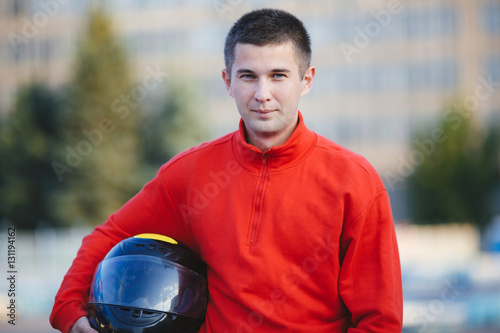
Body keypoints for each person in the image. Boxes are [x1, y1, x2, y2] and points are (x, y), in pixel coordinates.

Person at [50, 8, 403, 333]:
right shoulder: (191, 174)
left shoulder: (354, 180)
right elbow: (110, 235)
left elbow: (379, 319)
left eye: (278, 75)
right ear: (227, 81)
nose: (262, 94)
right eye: (248, 76)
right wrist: (70, 308)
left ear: (306, 80)